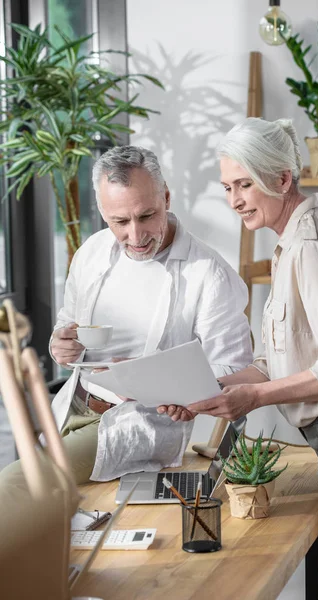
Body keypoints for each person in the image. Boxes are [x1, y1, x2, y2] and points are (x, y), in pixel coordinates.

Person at [159, 118, 318, 600]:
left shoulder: (310, 246)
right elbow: (277, 361)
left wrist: (254, 398)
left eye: (245, 184)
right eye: (228, 186)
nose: (234, 200)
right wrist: (215, 392)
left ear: (283, 179)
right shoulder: (293, 240)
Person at [0, 145, 253, 485]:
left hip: (135, 423)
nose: (135, 236)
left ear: (165, 197)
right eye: (120, 221)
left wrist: (149, 381)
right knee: (41, 510)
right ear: (103, 211)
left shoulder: (208, 273)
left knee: (22, 486)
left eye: (146, 215)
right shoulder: (91, 253)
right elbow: (67, 324)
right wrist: (60, 345)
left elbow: (236, 368)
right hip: (71, 406)